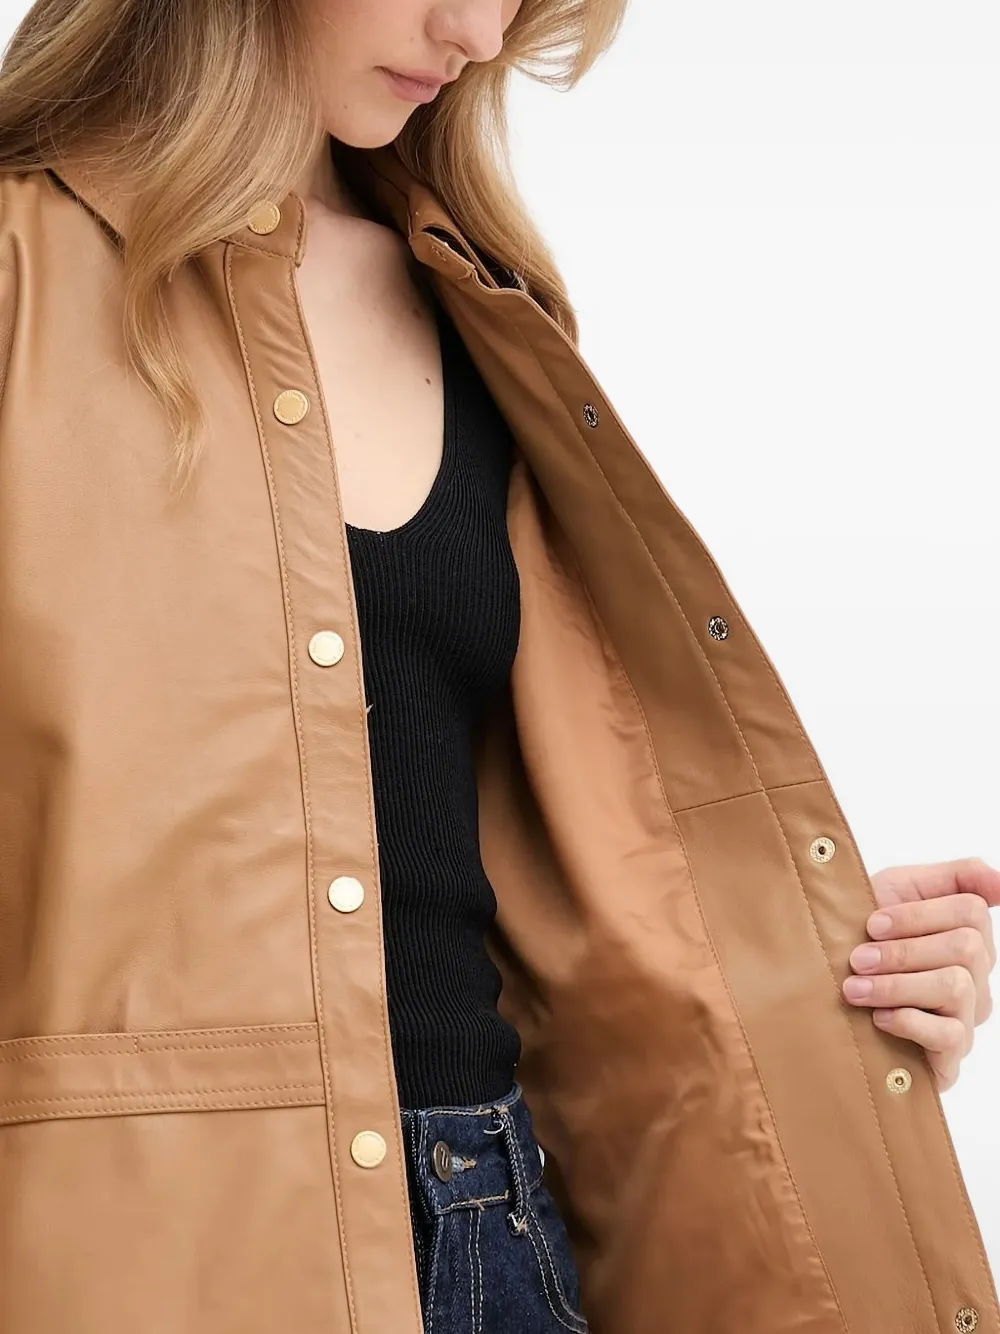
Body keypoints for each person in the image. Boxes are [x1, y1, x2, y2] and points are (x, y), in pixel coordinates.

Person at [0, 2, 996, 1332]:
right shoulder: (21, 276)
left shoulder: (477, 301)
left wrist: (811, 984)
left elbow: (504, 862)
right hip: (149, 1261)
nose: (476, 30)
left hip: (498, 1229)